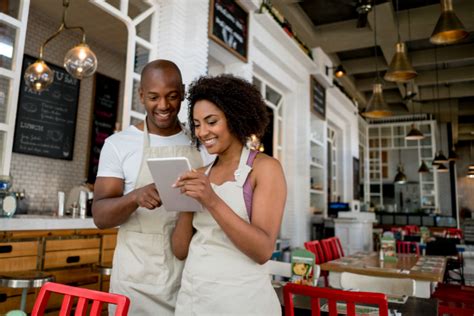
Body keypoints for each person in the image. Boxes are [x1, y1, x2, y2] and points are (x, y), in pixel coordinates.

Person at [92, 59, 213, 315]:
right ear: (140, 95)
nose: (163, 106)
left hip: (190, 275)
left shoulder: (202, 143)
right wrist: (134, 197)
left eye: (172, 96)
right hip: (136, 280)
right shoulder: (119, 144)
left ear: (182, 92)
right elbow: (100, 217)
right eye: (153, 97)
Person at [172, 74, 287, 315]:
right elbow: (180, 250)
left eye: (211, 121)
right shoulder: (200, 173)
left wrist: (211, 200)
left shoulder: (265, 169)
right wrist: (183, 201)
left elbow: (263, 251)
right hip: (195, 299)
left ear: (235, 118)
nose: (202, 132)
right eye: (197, 123)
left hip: (243, 302)